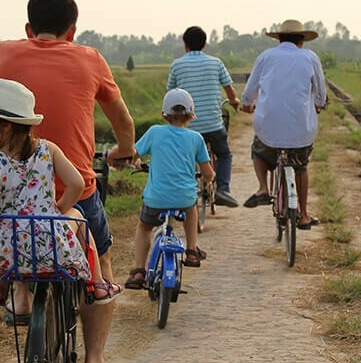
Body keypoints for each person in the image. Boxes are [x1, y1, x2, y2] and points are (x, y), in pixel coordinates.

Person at [0, 0, 136, 363]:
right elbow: (122, 119)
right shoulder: (89, 58)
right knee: (98, 267)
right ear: (72, 30)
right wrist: (125, 150)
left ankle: (20, 291)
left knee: (15, 230)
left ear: (29, 28)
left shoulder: (3, 54)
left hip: (14, 193)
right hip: (75, 194)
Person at [0, 79, 121, 324]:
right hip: (52, 240)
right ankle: (97, 283)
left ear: (6, 126)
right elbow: (77, 184)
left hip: (7, 252)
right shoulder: (48, 149)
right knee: (79, 217)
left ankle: (0, 290)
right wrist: (59, 211)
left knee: (10, 230)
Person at [123, 89, 215, 290]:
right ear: (191, 114)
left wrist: (137, 163)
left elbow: (134, 155)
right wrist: (209, 179)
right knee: (192, 210)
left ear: (164, 114)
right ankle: (191, 249)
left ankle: (139, 270)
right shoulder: (196, 138)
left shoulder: (155, 132)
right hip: (184, 198)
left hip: (156, 199)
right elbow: (208, 173)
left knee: (145, 226)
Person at [240, 19, 327, 230]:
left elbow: (249, 91)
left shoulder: (266, 57)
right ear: (302, 40)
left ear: (278, 38)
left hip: (268, 129)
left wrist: (246, 104)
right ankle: (304, 215)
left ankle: (263, 188)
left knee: (258, 150)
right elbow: (321, 94)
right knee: (301, 166)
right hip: (301, 132)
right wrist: (318, 104)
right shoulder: (310, 58)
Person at [167, 26, 241, 207]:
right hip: (213, 125)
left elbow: (171, 94)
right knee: (224, 154)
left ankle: (182, 189)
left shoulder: (177, 65)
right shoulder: (216, 63)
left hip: (187, 126)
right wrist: (234, 101)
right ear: (205, 44)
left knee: (185, 155)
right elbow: (229, 89)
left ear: (185, 45)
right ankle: (223, 188)